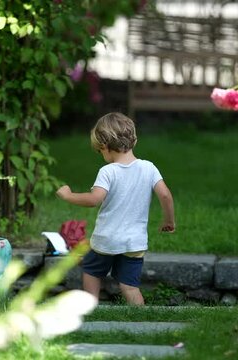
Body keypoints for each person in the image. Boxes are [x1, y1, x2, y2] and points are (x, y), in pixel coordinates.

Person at [56, 112, 175, 305]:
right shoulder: (149, 168)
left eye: (100, 151)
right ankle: (141, 319)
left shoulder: (108, 171)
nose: (101, 155)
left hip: (107, 239)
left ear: (105, 146)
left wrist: (68, 195)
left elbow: (94, 199)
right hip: (135, 242)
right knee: (129, 286)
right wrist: (169, 221)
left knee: (91, 271)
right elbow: (165, 195)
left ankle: (90, 308)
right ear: (133, 140)